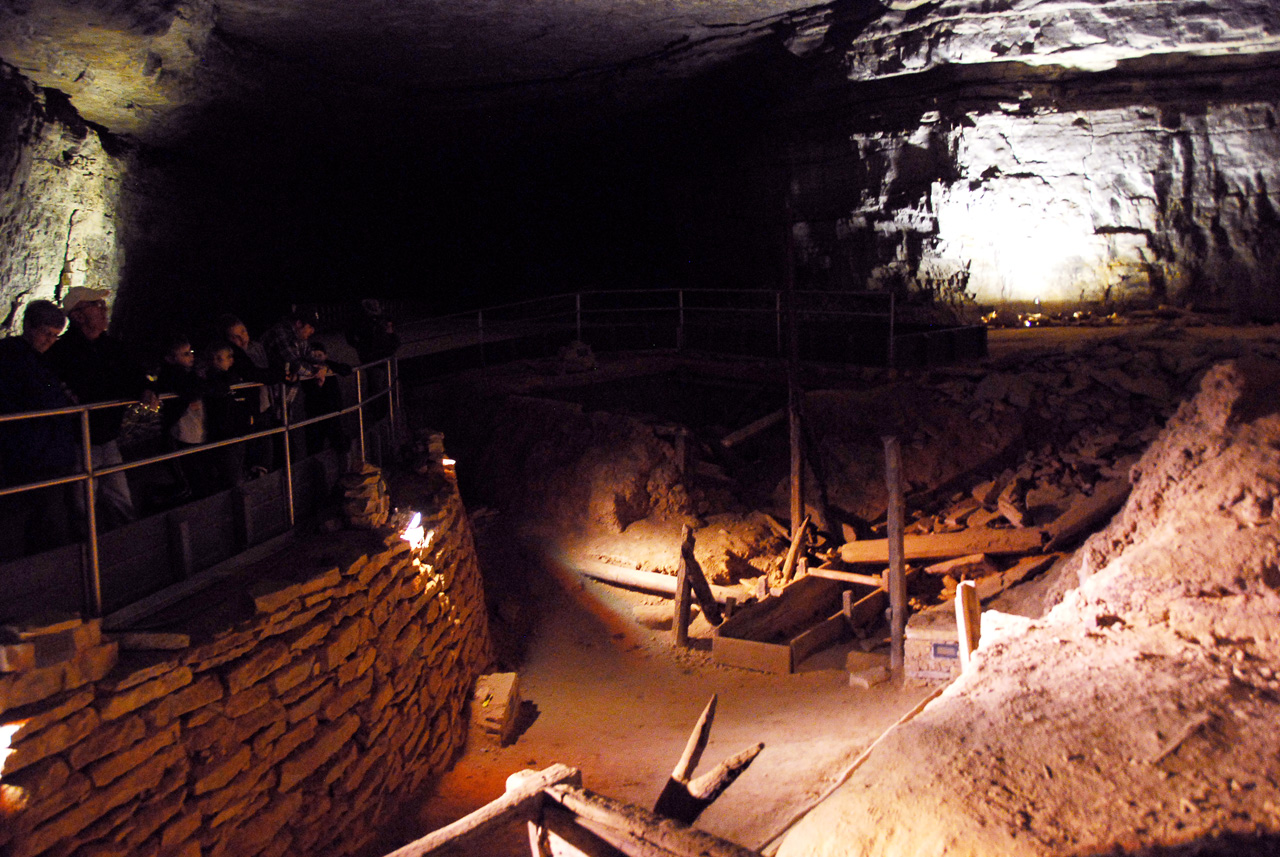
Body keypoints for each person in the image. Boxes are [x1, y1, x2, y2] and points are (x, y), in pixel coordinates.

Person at [46, 287, 158, 529]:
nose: (103, 309)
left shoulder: (112, 348)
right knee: (83, 503)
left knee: (120, 498)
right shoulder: (61, 353)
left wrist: (145, 389)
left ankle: (125, 550)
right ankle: (87, 553)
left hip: (107, 436)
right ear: (78, 315)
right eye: (96, 305)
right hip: (78, 440)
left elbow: (133, 375)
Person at [0, 300, 79, 558]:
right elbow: (40, 397)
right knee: (40, 514)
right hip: (31, 452)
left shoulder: (37, 359)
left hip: (44, 450)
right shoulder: (14, 357)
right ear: (29, 326)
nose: (51, 341)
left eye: (55, 336)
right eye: (47, 334)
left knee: (45, 513)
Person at [261, 304, 330, 460]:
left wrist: (323, 367)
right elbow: (295, 364)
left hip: (284, 401)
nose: (312, 332)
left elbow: (311, 357)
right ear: (299, 323)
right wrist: (316, 371)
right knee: (278, 449)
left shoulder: (299, 338)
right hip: (270, 401)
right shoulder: (280, 334)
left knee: (286, 447)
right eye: (310, 327)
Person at [216, 313, 276, 476]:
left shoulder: (257, 347)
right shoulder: (232, 356)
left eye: (243, 332)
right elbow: (254, 373)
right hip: (243, 409)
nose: (242, 339)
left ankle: (263, 475)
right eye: (235, 337)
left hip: (264, 403)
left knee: (266, 441)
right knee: (246, 446)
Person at [201, 340, 253, 488]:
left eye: (220, 358)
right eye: (213, 358)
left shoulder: (232, 377)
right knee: (231, 471)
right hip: (223, 432)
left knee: (238, 463)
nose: (214, 362)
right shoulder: (213, 379)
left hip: (236, 429)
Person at [345, 298, 400, 423]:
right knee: (377, 387)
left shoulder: (380, 319)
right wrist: (363, 348)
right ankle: (379, 416)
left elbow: (392, 338)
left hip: (382, 356)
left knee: (382, 386)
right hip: (374, 358)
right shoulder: (363, 321)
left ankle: (383, 414)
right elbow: (351, 335)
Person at [302, 339, 353, 462]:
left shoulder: (329, 365)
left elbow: (347, 369)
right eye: (313, 355)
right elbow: (309, 391)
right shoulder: (306, 370)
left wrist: (327, 368)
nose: (317, 358)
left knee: (340, 442)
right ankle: (316, 473)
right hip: (315, 413)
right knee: (314, 446)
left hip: (332, 410)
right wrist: (318, 382)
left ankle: (345, 469)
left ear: (325, 356)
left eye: (320, 355)